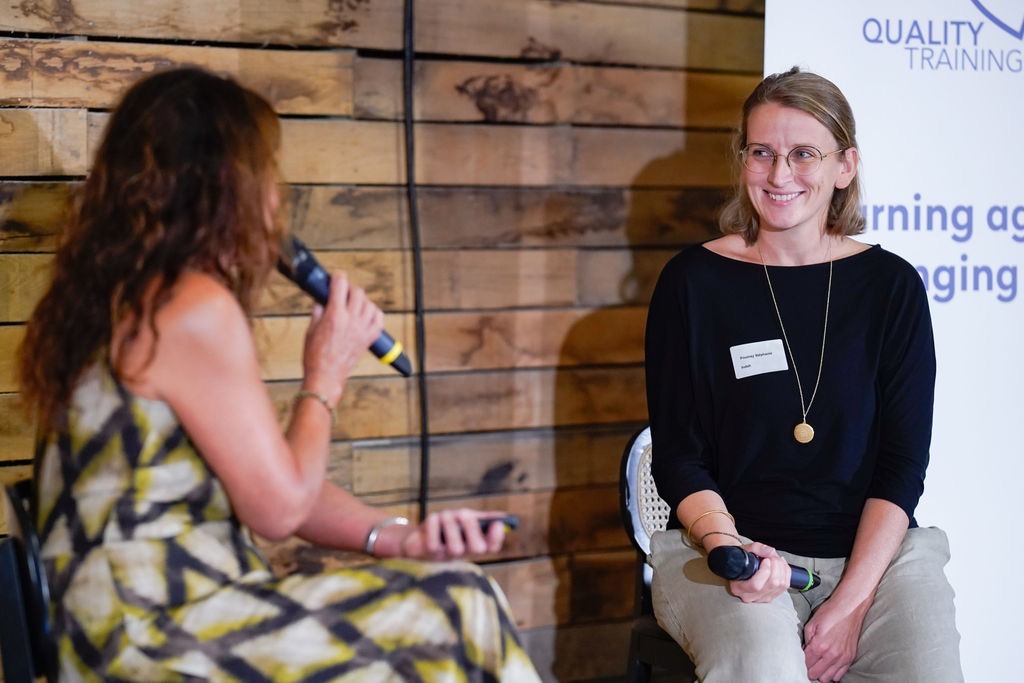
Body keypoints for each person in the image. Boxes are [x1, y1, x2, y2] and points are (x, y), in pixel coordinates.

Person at [17, 67, 540, 682]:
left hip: (123, 625)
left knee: (449, 590)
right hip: (152, 633)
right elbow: (278, 509)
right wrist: (326, 371)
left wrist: (402, 539)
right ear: (224, 183)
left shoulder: (119, 298)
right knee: (459, 607)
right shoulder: (190, 308)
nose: (276, 198)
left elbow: (270, 477)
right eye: (267, 172)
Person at [643, 67, 963, 682]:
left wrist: (850, 604)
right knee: (765, 666)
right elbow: (678, 457)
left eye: (803, 154)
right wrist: (730, 549)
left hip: (878, 559)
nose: (779, 174)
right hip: (729, 552)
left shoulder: (891, 287)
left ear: (845, 166)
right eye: (761, 152)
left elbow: (902, 464)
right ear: (743, 161)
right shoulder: (692, 284)